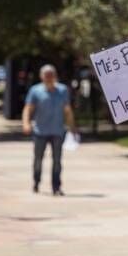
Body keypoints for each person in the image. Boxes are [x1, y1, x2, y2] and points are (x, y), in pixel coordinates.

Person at [22, 64, 77, 196]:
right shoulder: (35, 91)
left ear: (54, 76)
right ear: (41, 77)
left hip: (57, 131)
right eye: (46, 76)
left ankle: (56, 186)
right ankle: (36, 182)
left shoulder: (63, 90)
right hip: (40, 131)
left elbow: (67, 110)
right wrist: (26, 123)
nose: (48, 78)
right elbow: (28, 108)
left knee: (57, 161)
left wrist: (72, 127)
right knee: (38, 160)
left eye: (50, 75)